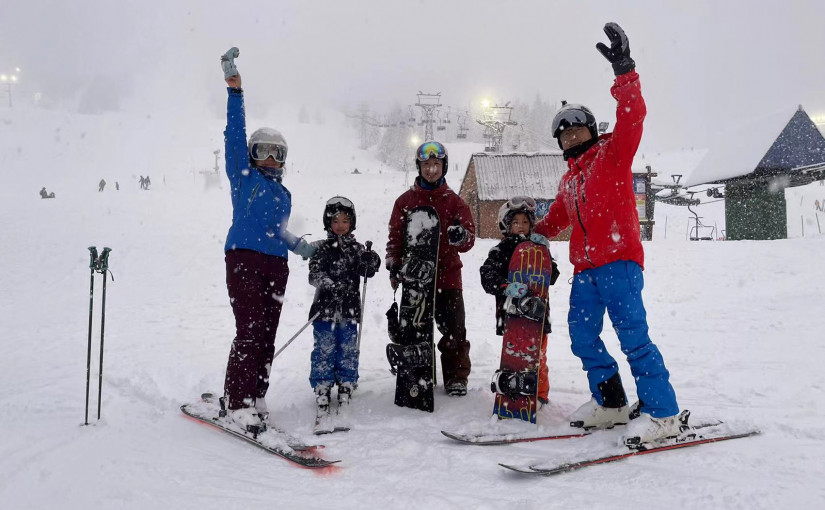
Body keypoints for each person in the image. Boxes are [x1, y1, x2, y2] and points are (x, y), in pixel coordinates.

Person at [533, 22, 682, 445]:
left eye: (576, 129)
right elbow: (555, 220)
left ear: (591, 130)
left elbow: (632, 115)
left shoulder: (612, 156)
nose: (570, 136)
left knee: (634, 337)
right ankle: (612, 401)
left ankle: (663, 413)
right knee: (582, 336)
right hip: (586, 271)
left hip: (619, 264)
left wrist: (625, 72)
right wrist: (527, 231)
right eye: (563, 133)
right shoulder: (569, 181)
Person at [219, 50, 316, 432]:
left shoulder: (284, 194)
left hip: (276, 265)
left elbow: (277, 231)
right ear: (253, 155)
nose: (271, 158)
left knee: (268, 332)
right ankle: (237, 400)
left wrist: (299, 245)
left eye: (278, 153)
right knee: (250, 328)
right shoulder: (243, 178)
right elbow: (234, 135)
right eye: (264, 151)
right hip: (243, 258)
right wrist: (236, 93)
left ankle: (257, 394)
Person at [385, 140, 475, 396]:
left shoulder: (455, 202)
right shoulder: (405, 201)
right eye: (427, 165)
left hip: (447, 277)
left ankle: (456, 377)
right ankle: (416, 373)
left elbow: (469, 238)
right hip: (415, 278)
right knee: (414, 329)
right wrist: (394, 266)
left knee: (454, 330)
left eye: (436, 164)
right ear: (419, 167)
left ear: (443, 166)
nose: (432, 170)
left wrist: (460, 236)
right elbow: (395, 238)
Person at [479, 197, 559, 407]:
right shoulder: (500, 250)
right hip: (511, 313)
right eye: (516, 222)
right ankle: (512, 390)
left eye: (525, 222)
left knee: (538, 356)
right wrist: (506, 287)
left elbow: (553, 275)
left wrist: (546, 256)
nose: (521, 226)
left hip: (538, 315)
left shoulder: (538, 248)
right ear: (506, 225)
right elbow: (486, 276)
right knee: (514, 355)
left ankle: (539, 393)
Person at [307, 196, 381, 410]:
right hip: (324, 311)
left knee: (348, 347)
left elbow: (366, 268)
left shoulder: (356, 249)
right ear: (328, 223)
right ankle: (322, 385)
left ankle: (347, 382)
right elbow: (314, 274)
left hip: (348, 311)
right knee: (324, 348)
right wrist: (330, 285)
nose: (340, 226)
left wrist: (371, 261)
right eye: (335, 221)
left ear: (352, 223)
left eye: (345, 221)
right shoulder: (322, 249)